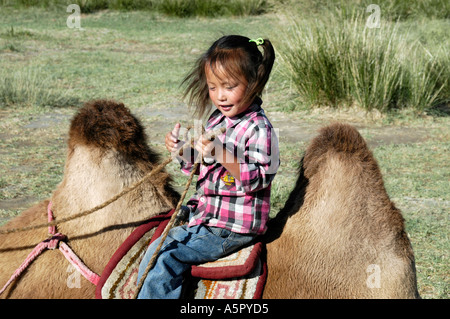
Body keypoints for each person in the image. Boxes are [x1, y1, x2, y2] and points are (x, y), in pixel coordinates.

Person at [136, 35, 280, 299]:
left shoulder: (259, 128)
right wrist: (181, 150)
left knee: (168, 259)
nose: (220, 96)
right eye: (213, 88)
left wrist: (222, 153)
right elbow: (201, 165)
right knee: (156, 248)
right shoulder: (216, 120)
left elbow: (259, 178)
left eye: (229, 86)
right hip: (208, 215)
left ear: (254, 83)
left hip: (232, 227)